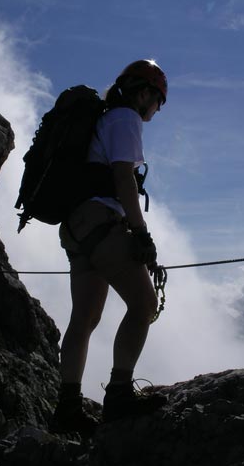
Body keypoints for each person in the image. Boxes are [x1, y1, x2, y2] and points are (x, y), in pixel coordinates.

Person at [51, 59, 169, 435]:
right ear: (145, 93)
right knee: (144, 305)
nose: (156, 110)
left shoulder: (104, 118)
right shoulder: (125, 118)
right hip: (102, 220)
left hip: (77, 226)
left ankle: (67, 407)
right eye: (158, 101)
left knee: (84, 319)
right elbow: (123, 177)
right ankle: (119, 395)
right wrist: (140, 232)